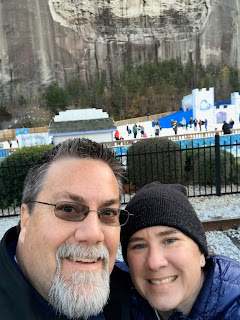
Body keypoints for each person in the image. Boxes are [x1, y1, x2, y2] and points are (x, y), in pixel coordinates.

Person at [0, 138, 133, 320]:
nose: (93, 233)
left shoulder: (131, 296)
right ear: (26, 218)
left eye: (108, 212)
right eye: (68, 209)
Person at [120, 182, 240, 320]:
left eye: (170, 241)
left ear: (201, 253)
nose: (154, 263)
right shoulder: (117, 296)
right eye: (140, 246)